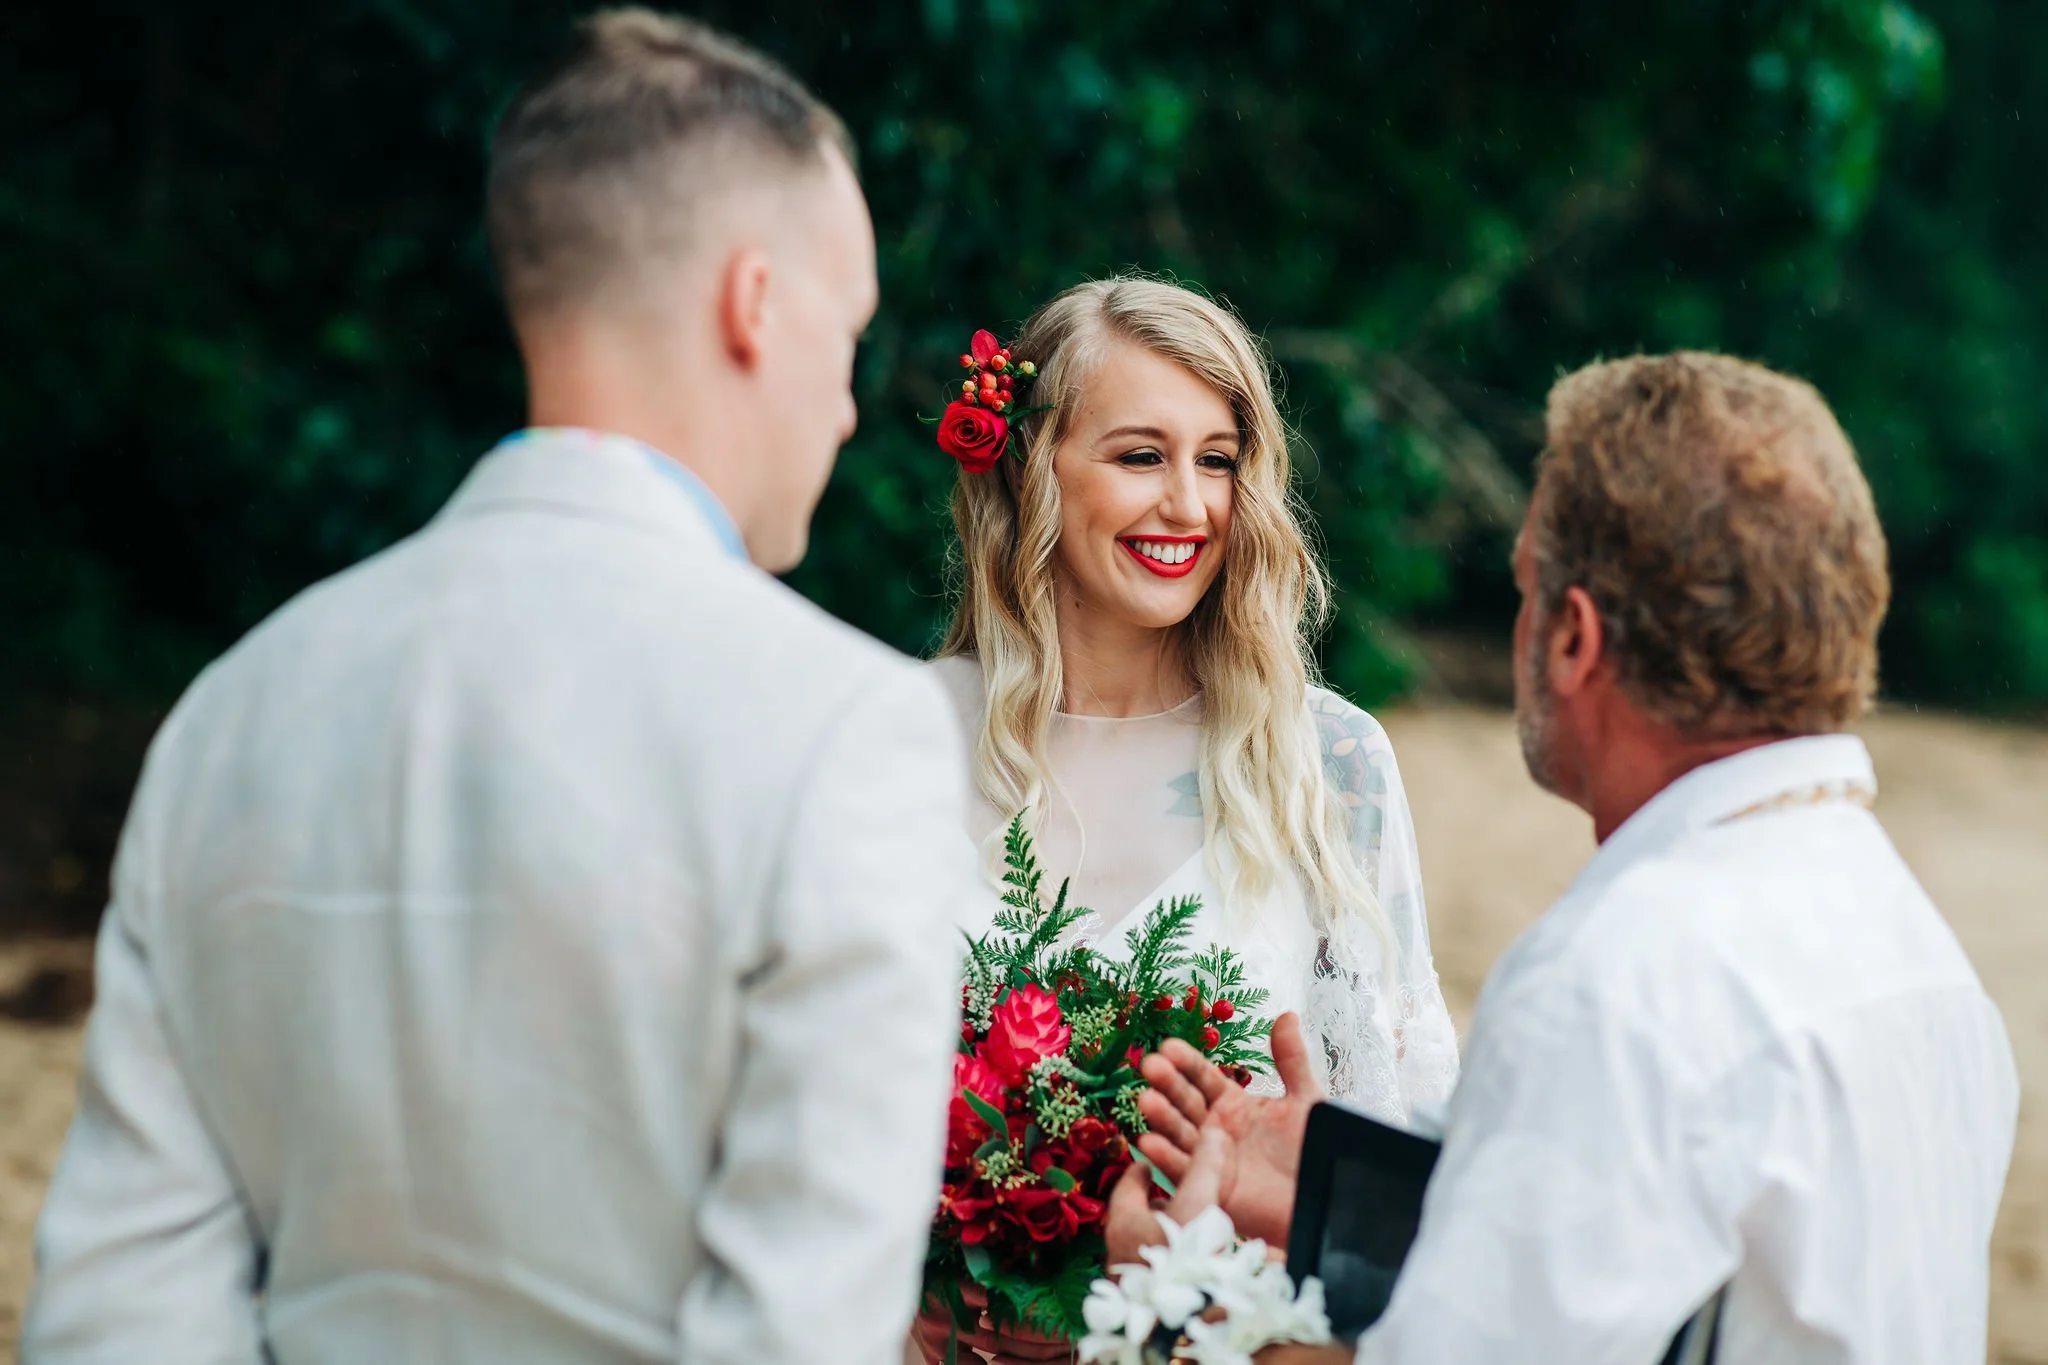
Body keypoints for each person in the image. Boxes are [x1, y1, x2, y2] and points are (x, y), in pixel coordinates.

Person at [24, 12, 972, 1365]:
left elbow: (122, 1310)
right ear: (753, 302)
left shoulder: (236, 707)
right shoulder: (843, 727)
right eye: (850, 330)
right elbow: (797, 1332)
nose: (848, 406)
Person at [1123, 351, 2022, 1364]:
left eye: (1521, 591)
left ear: (1573, 639)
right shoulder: (1926, 963)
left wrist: (1176, 1312)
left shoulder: (1616, 981)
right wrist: (1340, 1183)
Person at [912, 277, 1459, 1364]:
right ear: (1027, 467)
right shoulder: (897, 744)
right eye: (1137, 456)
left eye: (1216, 460)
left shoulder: (1325, 764)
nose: (1189, 506)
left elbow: (1400, 1158)